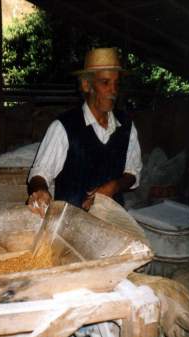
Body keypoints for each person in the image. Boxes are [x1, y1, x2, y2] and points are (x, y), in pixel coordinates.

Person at [27, 48, 142, 217]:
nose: (113, 91)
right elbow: (39, 173)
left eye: (116, 83)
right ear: (86, 85)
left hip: (114, 220)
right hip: (71, 222)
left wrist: (114, 186)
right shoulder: (63, 127)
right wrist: (40, 191)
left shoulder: (126, 126)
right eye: (105, 83)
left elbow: (133, 172)